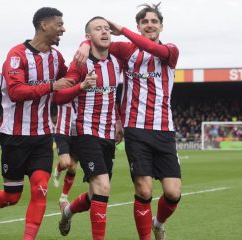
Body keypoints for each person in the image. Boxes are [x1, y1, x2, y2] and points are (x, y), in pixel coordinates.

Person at [0, 7, 94, 239]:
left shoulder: (55, 57)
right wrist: (52, 86)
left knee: (40, 190)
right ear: (44, 25)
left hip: (42, 136)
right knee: (11, 196)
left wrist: (86, 45)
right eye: (59, 24)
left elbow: (70, 78)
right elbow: (15, 92)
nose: (63, 29)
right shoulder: (17, 55)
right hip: (14, 135)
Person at [76, 3, 181, 240]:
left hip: (164, 130)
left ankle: (159, 222)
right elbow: (98, 42)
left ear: (161, 26)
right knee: (144, 190)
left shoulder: (171, 51)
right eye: (145, 22)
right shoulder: (126, 50)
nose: (149, 25)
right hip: (136, 129)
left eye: (154, 22)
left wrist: (121, 29)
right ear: (139, 26)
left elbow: (153, 49)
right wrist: (84, 43)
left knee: (173, 193)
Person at [58, 16, 123, 240]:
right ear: (88, 36)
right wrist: (81, 85)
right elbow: (59, 96)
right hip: (85, 132)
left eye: (107, 28)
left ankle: (67, 212)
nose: (104, 32)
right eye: (98, 29)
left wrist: (118, 120)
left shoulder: (117, 61)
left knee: (95, 193)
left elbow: (113, 95)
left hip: (107, 134)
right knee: (103, 187)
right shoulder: (80, 63)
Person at [52, 103, 79, 204]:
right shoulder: (63, 88)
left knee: (72, 167)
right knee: (65, 163)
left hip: (78, 133)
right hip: (63, 130)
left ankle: (64, 196)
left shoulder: (84, 90)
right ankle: (58, 170)